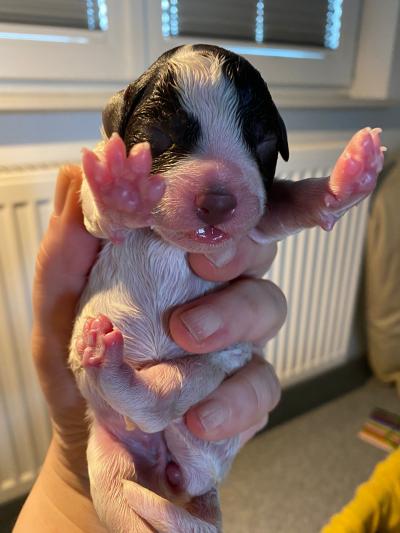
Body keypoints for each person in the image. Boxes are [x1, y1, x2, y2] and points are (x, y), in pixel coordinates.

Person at [14, 165, 286, 532]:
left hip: (164, 418)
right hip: (144, 429)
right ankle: (140, 395)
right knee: (109, 483)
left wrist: (325, 198)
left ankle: (138, 393)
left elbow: (282, 211)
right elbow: (96, 216)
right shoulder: (129, 184)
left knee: (216, 362)